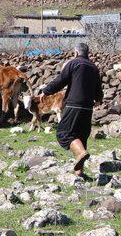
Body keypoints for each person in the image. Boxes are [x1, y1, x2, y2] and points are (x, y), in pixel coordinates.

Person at [39, 43, 103, 177]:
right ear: (87, 53)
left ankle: (81, 153)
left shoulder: (74, 63)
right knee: (81, 136)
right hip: (87, 107)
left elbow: (61, 80)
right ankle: (79, 172)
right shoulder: (93, 67)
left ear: (75, 53)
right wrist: (98, 98)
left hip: (74, 104)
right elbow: (98, 87)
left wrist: (46, 91)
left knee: (63, 133)